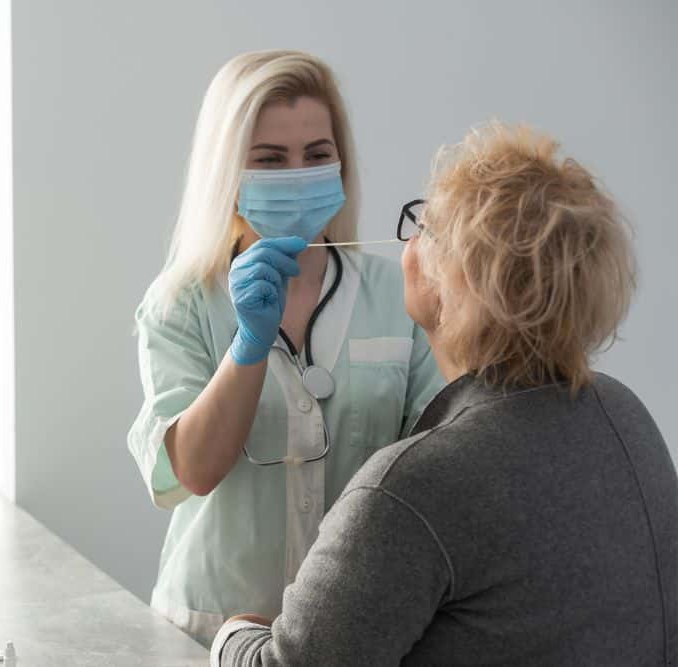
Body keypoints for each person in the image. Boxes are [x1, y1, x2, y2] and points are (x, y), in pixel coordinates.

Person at [210, 122, 678, 666]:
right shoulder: (623, 413)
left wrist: (234, 634)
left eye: (425, 225)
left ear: (452, 283)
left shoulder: (411, 487)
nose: (409, 239)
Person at [127, 50, 445, 646]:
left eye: (317, 155)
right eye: (270, 160)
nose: (299, 173)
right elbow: (189, 472)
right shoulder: (182, 303)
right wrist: (247, 346)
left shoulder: (399, 293)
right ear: (228, 172)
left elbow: (438, 465)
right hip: (208, 632)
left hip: (350, 634)